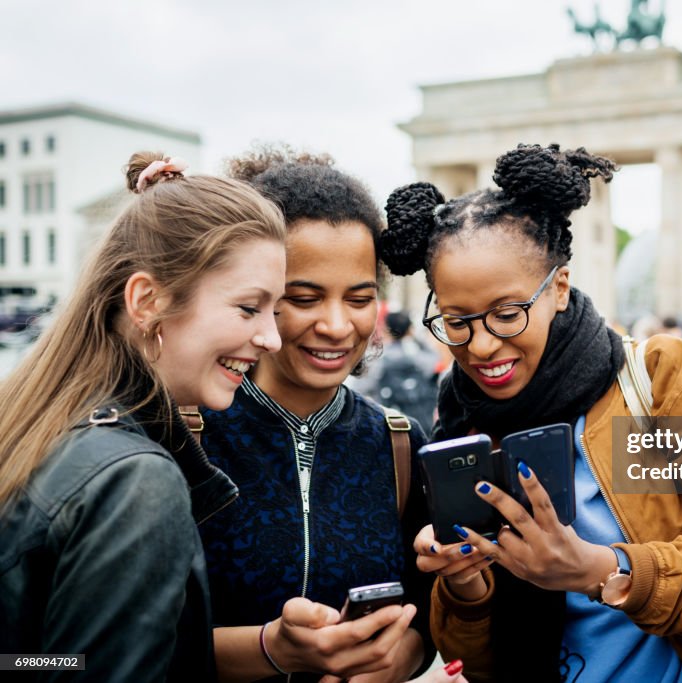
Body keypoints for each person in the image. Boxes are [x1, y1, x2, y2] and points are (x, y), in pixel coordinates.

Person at [379, 144, 682, 682]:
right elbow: (477, 662)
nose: (482, 345)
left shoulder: (674, 384)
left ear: (559, 287)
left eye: (507, 314)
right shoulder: (462, 423)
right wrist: (466, 584)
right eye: (456, 320)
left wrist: (604, 570)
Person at [0, 153, 288, 680]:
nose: (272, 337)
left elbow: (39, 658)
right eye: (249, 308)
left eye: (277, 310)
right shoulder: (134, 479)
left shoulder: (37, 420)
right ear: (147, 299)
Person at [197, 146, 437, 682]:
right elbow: (90, 650)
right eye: (304, 297)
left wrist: (400, 659)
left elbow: (428, 615)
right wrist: (269, 649)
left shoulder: (400, 442)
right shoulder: (181, 435)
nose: (336, 325)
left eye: (358, 299)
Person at [371, 311, 440, 430]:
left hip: (392, 425)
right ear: (409, 329)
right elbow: (435, 357)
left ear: (387, 329)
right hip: (422, 423)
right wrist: (414, 336)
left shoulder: (379, 359)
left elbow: (362, 387)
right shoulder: (418, 359)